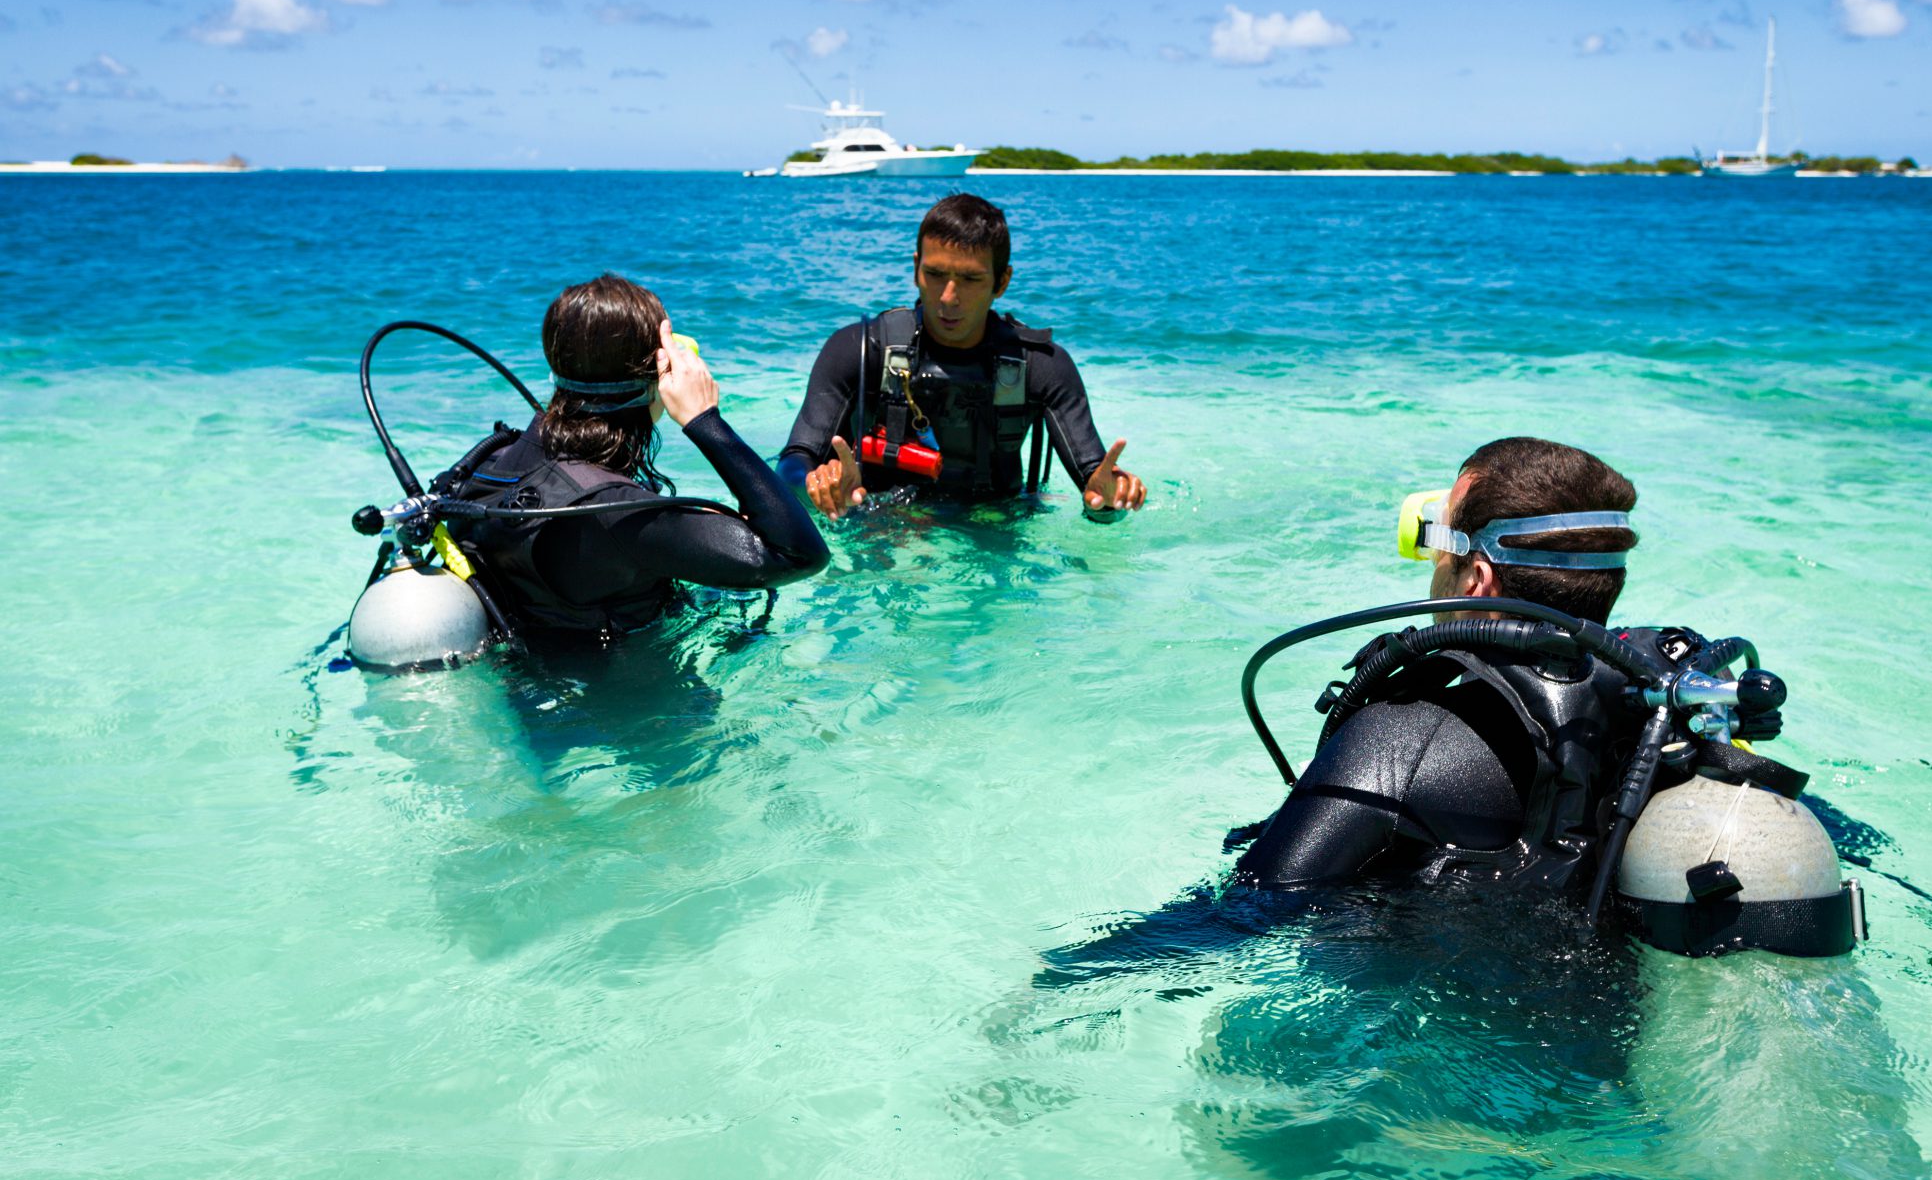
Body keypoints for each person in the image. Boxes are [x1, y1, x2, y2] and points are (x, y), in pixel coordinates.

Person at [1235, 437, 1641, 891]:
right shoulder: (1652, 703)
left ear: (1476, 581)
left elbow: (1238, 916)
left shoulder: (1400, 743)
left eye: (1437, 544)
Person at [448, 274, 829, 633]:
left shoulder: (491, 462)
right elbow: (801, 555)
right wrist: (704, 421)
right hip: (628, 696)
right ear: (656, 375)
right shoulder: (619, 515)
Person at [778, 193, 1146, 519]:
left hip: (995, 527)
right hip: (884, 524)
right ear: (915, 268)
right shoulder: (860, 349)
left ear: (1002, 282)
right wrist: (814, 488)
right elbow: (793, 461)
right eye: (935, 274)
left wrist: (1109, 502)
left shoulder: (1041, 366)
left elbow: (1097, 488)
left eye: (970, 280)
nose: (949, 297)